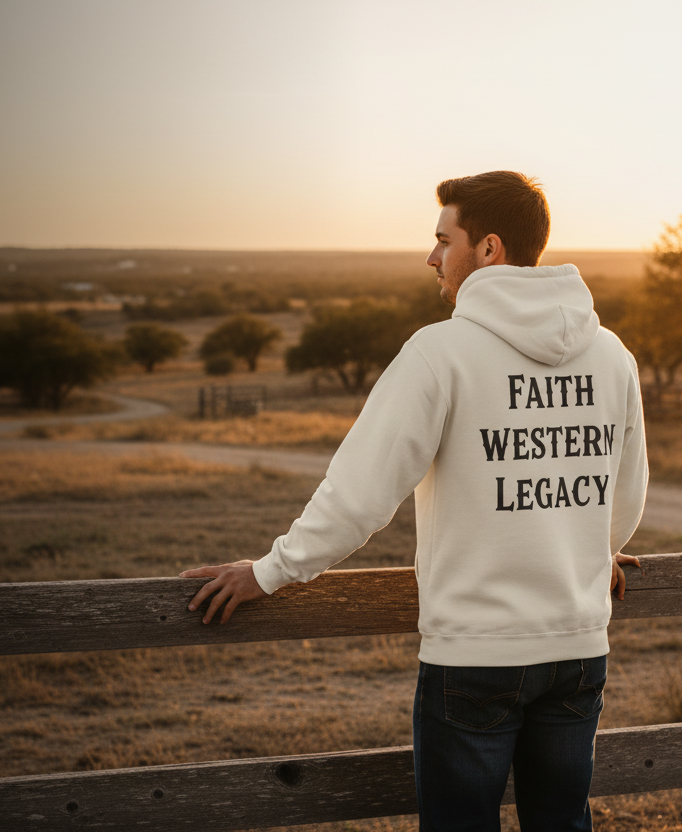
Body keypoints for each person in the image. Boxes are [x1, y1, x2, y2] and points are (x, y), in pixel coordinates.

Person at [180, 170, 648, 831]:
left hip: (474, 659)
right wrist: (596, 558)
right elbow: (623, 497)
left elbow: (360, 494)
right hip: (576, 651)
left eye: (441, 240)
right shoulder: (611, 356)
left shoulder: (440, 354)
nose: (431, 257)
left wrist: (269, 571)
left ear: (487, 249)